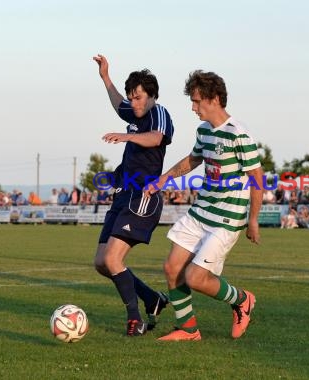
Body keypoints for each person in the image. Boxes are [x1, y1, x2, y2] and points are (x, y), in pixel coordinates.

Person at [146, 70, 263, 341]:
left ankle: (242, 300)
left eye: (197, 101)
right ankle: (188, 329)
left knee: (196, 278)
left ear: (214, 99)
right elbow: (193, 160)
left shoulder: (239, 134)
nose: (193, 107)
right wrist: (165, 178)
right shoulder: (204, 131)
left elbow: (258, 179)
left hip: (226, 218)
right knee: (172, 268)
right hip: (201, 212)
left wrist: (253, 220)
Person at [92, 54, 174, 336]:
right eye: (132, 97)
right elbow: (118, 105)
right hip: (123, 194)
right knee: (102, 262)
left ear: (151, 96)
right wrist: (105, 77)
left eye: (138, 97)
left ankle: (134, 319)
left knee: (114, 260)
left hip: (143, 196)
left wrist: (126, 136)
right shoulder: (134, 112)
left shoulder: (158, 113)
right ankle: (152, 298)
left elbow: (156, 138)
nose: (134, 103)